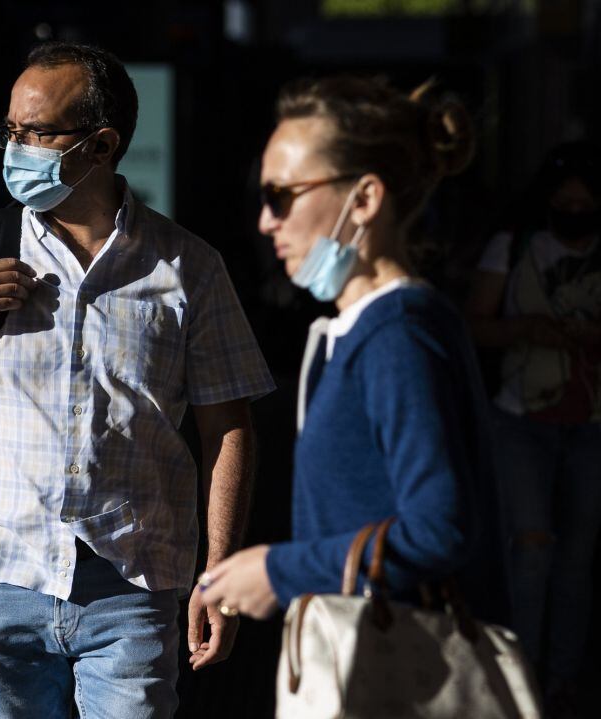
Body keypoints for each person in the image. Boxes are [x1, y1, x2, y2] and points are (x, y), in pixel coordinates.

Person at [0, 42, 274, 718]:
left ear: (101, 144)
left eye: (36, 132)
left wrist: (220, 575)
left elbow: (228, 427)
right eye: (10, 130)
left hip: (132, 581)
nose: (14, 148)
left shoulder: (188, 268)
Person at [198, 75, 506, 626]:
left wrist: (277, 571)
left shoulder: (398, 333)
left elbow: (440, 528)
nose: (267, 220)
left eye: (282, 196)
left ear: (364, 198)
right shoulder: (365, 327)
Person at [465, 140, 601, 717]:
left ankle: (561, 678)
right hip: (521, 420)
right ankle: (520, 680)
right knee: (533, 552)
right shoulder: (516, 246)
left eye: (583, 202)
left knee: (578, 558)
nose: (573, 210)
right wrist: (527, 329)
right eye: (563, 200)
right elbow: (475, 324)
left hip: (592, 422)